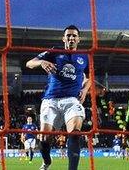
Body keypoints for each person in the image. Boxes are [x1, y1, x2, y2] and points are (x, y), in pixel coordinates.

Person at [26, 25, 91, 170]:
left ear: (79, 39)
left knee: (75, 133)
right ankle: (47, 161)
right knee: (44, 137)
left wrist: (85, 89)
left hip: (72, 100)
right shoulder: (54, 51)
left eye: (74, 35)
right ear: (63, 38)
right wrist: (42, 62)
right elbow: (29, 63)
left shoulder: (85, 56)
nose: (71, 38)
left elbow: (91, 76)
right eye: (68, 35)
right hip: (51, 100)